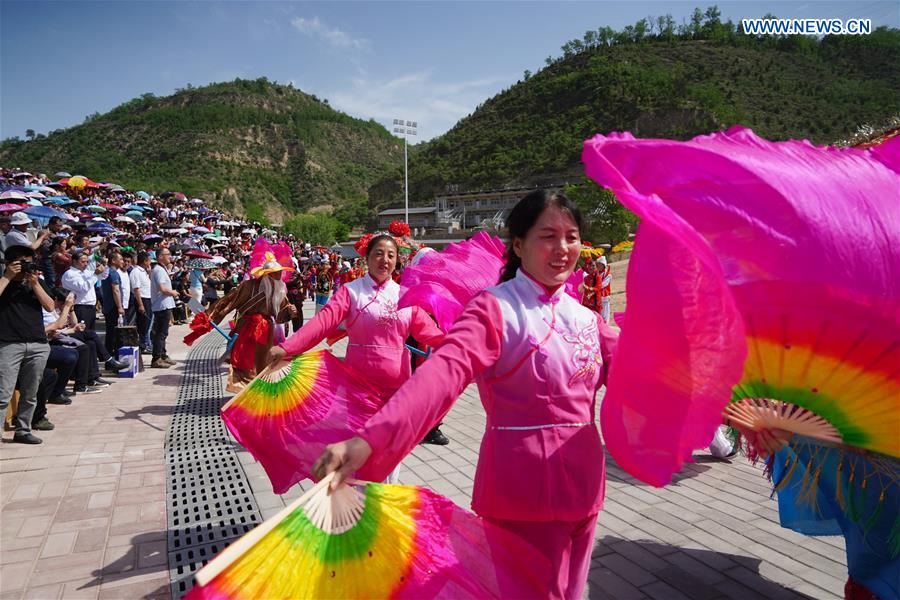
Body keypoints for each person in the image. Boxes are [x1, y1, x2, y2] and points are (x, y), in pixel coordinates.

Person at [312, 191, 617, 598]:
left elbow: (644, 377)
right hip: (522, 493)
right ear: (519, 245)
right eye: (548, 236)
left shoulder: (588, 319)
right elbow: (441, 375)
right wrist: (371, 441)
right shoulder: (494, 309)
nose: (562, 248)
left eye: (572, 236)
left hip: (585, 491)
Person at [270, 234, 445, 483]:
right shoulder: (351, 292)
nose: (385, 260)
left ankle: (381, 504)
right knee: (359, 456)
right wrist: (287, 348)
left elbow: (432, 334)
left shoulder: (406, 296)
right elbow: (322, 323)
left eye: (391, 255)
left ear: (397, 261)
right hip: (357, 390)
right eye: (379, 253)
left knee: (390, 456)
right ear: (367, 258)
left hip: (396, 393)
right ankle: (360, 505)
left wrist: (469, 349)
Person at [200, 243, 297, 391]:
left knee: (263, 361)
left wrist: (290, 311)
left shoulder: (279, 291)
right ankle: (245, 391)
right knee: (244, 360)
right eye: (276, 273)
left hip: (266, 329)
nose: (279, 276)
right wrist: (210, 317)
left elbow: (280, 317)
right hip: (246, 326)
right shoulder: (248, 285)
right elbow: (229, 301)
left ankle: (261, 389)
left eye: (279, 272)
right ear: (267, 274)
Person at [0, 245, 55, 444]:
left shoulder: (35, 281)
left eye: (29, 263)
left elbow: (50, 306)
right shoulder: (3, 282)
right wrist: (7, 277)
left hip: (37, 343)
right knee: (3, 393)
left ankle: (23, 430)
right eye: (22, 263)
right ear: (9, 263)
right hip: (8, 344)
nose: (26, 267)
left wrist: (35, 284)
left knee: (30, 392)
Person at [149, 248, 180, 368]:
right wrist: (173, 292)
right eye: (167, 254)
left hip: (164, 304)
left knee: (163, 332)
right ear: (160, 256)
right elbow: (162, 288)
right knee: (161, 333)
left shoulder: (161, 269)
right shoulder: (159, 270)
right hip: (161, 305)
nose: (170, 257)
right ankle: (156, 357)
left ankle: (163, 354)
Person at [60, 251, 105, 332]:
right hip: (80, 307)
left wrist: (103, 266)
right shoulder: (69, 274)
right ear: (74, 261)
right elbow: (83, 287)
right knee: (82, 333)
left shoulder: (86, 272)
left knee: (90, 334)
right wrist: (95, 274)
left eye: (87, 262)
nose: (86, 264)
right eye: (83, 261)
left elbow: (103, 276)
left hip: (90, 307)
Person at [99, 250, 126, 359]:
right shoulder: (113, 273)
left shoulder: (107, 272)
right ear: (114, 261)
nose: (122, 261)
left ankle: (108, 355)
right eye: (120, 259)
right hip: (113, 307)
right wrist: (120, 307)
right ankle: (113, 356)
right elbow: (116, 290)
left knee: (110, 332)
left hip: (107, 306)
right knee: (115, 333)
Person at [130, 251, 153, 353]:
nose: (150, 263)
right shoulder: (136, 272)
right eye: (149, 260)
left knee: (148, 324)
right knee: (143, 325)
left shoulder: (144, 271)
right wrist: (141, 304)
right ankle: (143, 345)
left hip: (148, 298)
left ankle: (146, 343)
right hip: (142, 299)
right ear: (144, 261)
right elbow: (136, 289)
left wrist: (149, 272)